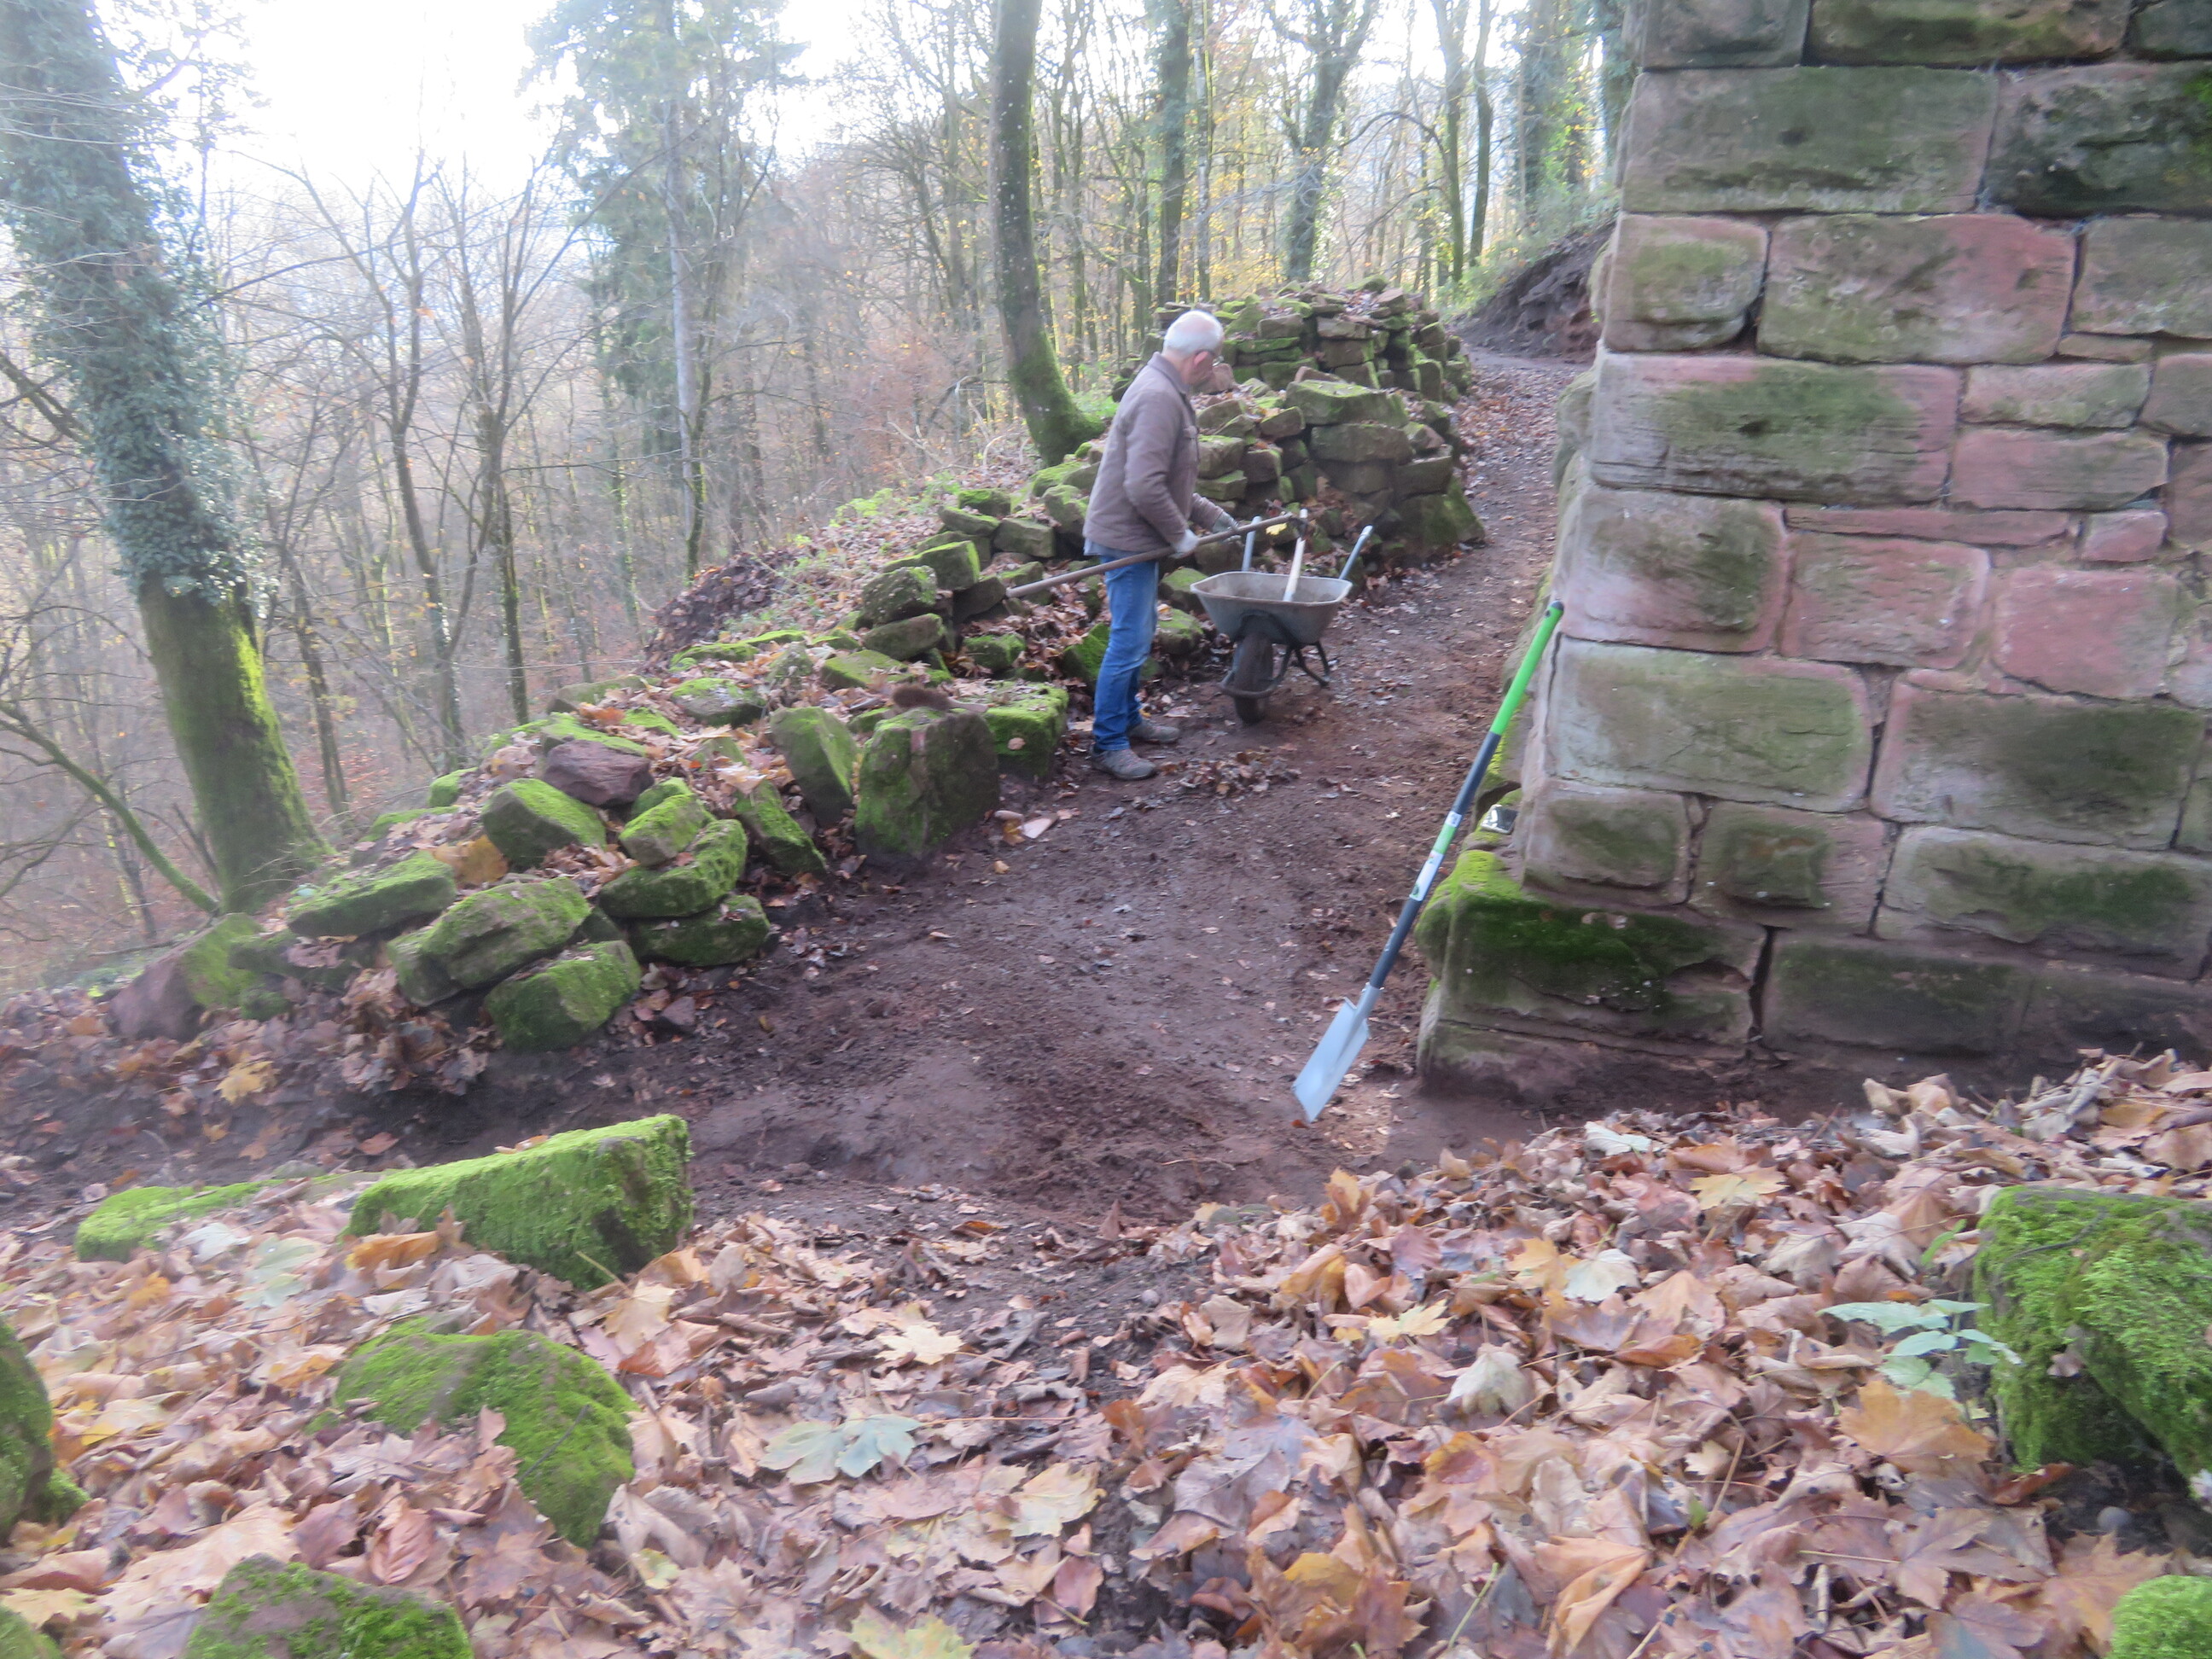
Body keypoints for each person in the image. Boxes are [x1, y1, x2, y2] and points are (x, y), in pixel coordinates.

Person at [1081, 308, 1237, 781]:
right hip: (1127, 538)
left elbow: (1169, 477)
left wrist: (1208, 514)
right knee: (1129, 641)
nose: (1214, 370)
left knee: (1139, 633)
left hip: (1137, 534)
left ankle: (1129, 719)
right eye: (1214, 362)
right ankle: (1108, 743)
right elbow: (1144, 485)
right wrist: (1178, 533)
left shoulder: (1167, 389)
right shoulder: (1158, 397)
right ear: (1201, 359)